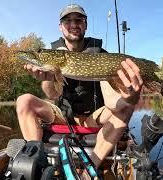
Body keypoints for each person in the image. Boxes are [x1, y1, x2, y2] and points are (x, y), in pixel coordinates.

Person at [16, 3, 143, 172]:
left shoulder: (100, 56)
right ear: (60, 27)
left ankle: (90, 168)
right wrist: (47, 78)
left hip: (93, 116)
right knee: (24, 101)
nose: (74, 24)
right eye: (67, 21)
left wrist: (130, 99)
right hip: (63, 116)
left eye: (79, 20)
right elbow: (53, 94)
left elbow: (113, 103)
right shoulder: (56, 56)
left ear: (86, 24)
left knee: (126, 108)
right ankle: (37, 161)